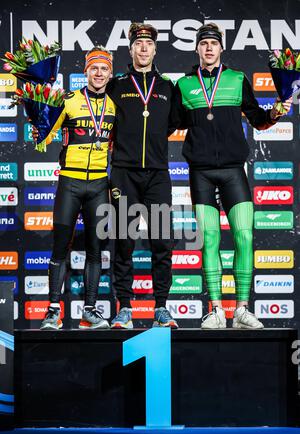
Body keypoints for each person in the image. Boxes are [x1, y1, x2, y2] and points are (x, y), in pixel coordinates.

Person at [171, 23, 292, 329]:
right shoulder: (184, 85)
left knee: (244, 236)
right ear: (197, 48)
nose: (208, 48)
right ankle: (215, 310)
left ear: (221, 48)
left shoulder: (237, 79)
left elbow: (258, 119)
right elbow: (168, 125)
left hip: (233, 171)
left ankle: (241, 309)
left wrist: (276, 111)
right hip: (201, 172)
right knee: (210, 238)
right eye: (203, 44)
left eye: (213, 43)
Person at [37, 46, 116, 330]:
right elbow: (44, 134)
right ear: (85, 71)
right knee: (60, 248)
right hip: (69, 182)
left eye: (103, 68)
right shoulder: (69, 100)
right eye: (93, 68)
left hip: (99, 184)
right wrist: (39, 119)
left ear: (110, 73)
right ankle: (52, 311)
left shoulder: (114, 105)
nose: (98, 73)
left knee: (96, 250)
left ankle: (90, 311)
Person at [106, 23, 178, 329]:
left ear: (155, 49)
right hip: (124, 174)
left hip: (157, 175)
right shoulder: (116, 85)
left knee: (162, 241)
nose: (144, 48)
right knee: (124, 241)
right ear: (131, 49)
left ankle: (161, 307)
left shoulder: (166, 88)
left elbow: (172, 125)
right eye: (139, 44)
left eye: (148, 44)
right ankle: (124, 307)